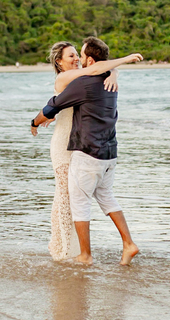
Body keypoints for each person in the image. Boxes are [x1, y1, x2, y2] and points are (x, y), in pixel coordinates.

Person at [30, 37, 142, 266]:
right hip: (100, 149)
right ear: (59, 62)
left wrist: (35, 121)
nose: (77, 60)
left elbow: (52, 107)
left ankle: (83, 255)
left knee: (78, 202)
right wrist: (114, 71)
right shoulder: (92, 79)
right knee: (97, 197)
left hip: (85, 148)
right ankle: (125, 244)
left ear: (89, 59)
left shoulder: (86, 81)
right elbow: (100, 69)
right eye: (71, 56)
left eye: (78, 55)